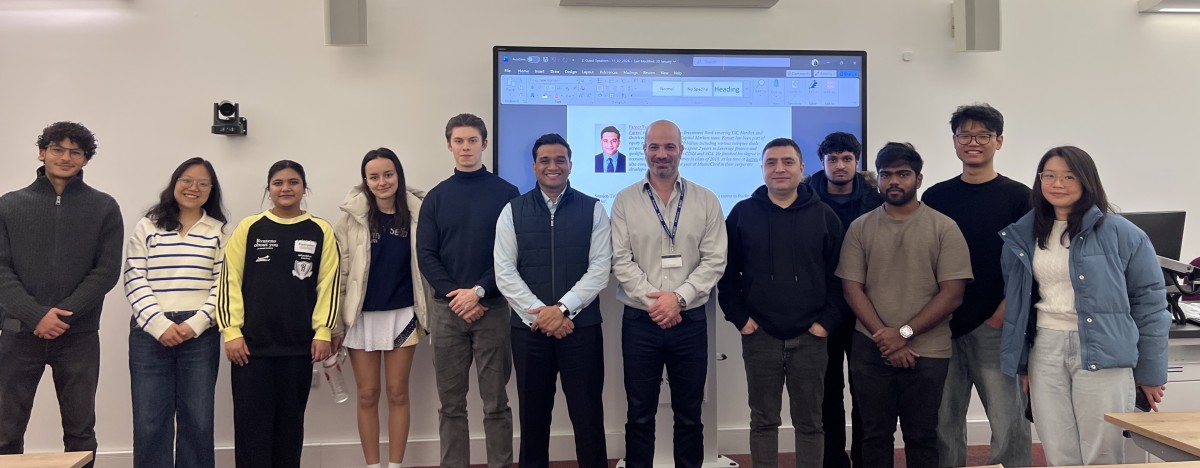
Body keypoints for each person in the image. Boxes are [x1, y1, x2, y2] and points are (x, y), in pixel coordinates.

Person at [999, 146, 1170, 466]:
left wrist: (1150, 371)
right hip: (1045, 349)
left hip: (1102, 349)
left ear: (1087, 181)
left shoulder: (1122, 233)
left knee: (1101, 451)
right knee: (1058, 448)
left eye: (1068, 176)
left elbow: (1150, 304)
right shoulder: (1024, 233)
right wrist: (1023, 363)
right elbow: (1019, 304)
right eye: (1048, 175)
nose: (1057, 183)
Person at [836, 142, 971, 468]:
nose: (894, 181)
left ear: (919, 179)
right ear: (878, 179)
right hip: (870, 348)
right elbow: (852, 288)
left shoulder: (944, 228)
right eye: (886, 174)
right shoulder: (860, 227)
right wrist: (886, 336)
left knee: (923, 436)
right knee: (873, 435)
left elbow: (952, 294)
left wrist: (905, 333)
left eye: (903, 174)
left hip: (928, 351)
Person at [0, 122, 122, 468]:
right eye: (57, 149)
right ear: (42, 152)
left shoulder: (104, 207)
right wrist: (35, 315)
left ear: (85, 160)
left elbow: (105, 272)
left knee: (80, 430)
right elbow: (1, 270)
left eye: (75, 152)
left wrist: (62, 315)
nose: (65, 157)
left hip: (78, 336)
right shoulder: (8, 205)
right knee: (5, 431)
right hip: (17, 333)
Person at [718, 137, 843, 468]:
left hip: (811, 337)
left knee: (810, 423)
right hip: (760, 336)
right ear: (762, 169)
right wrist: (740, 319)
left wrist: (825, 324)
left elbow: (839, 278)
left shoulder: (824, 216)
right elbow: (726, 275)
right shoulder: (742, 214)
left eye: (788, 162)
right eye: (771, 162)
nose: (779, 169)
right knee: (763, 421)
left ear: (802, 168)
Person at [611, 119, 727, 467]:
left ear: (681, 150)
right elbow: (620, 260)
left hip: (690, 320)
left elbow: (715, 260)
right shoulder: (624, 200)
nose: (662, 154)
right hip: (640, 321)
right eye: (654, 147)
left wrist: (676, 300)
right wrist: (657, 302)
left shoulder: (706, 200)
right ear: (644, 150)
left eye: (669, 147)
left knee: (690, 413)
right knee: (639, 413)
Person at [923, 103, 1033, 468]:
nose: (973, 142)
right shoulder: (936, 198)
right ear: (954, 142)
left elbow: (1029, 264)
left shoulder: (1020, 197)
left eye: (983, 135)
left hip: (995, 326)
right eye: (965, 135)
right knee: (943, 421)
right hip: (941, 326)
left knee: (1008, 421)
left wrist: (1002, 314)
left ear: (998, 142)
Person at [494, 133, 612, 468]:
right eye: (545, 160)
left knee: (588, 418)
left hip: (581, 329)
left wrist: (561, 310)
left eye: (560, 159)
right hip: (530, 334)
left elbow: (600, 268)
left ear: (570, 164)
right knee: (533, 422)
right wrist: (541, 316)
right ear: (534, 166)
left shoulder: (594, 209)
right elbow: (504, 271)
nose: (553, 166)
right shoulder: (512, 211)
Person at [217, 160, 341, 467]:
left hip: (299, 348)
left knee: (289, 430)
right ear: (269, 189)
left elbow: (329, 285)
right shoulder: (249, 227)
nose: (286, 188)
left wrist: (323, 331)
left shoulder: (320, 230)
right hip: (249, 350)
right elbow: (228, 281)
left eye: (293, 182)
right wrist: (231, 332)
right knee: (251, 430)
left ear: (304, 188)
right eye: (278, 183)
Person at [417, 113, 519, 468]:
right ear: (449, 145)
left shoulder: (507, 194)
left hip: (492, 309)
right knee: (451, 405)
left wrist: (477, 291)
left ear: (484, 144)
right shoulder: (436, 197)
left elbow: (511, 255)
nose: (465, 147)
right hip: (447, 314)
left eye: (472, 140)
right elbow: (426, 256)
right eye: (458, 141)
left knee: (496, 403)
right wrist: (457, 297)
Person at [125, 157, 227, 468]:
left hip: (200, 335)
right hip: (149, 333)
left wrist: (195, 324)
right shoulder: (148, 226)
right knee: (149, 421)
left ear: (211, 191)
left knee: (197, 420)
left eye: (202, 183)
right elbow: (133, 277)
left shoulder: (218, 232)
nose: (193, 188)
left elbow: (223, 287)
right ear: (174, 184)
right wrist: (159, 325)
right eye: (186, 180)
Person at [334, 148, 428, 468]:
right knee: (367, 394)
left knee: (398, 392)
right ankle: (373, 465)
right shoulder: (350, 219)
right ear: (366, 181)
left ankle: (396, 465)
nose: (382, 181)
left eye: (388, 174)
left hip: (403, 315)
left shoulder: (419, 213)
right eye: (374, 176)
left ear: (398, 175)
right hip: (361, 318)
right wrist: (335, 324)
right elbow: (342, 274)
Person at [808, 131, 882, 468]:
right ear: (822, 162)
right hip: (822, 309)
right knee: (827, 393)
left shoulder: (877, 198)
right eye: (833, 159)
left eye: (847, 159)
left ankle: (866, 459)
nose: (840, 165)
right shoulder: (803, 196)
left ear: (857, 161)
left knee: (867, 391)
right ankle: (833, 460)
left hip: (868, 308)